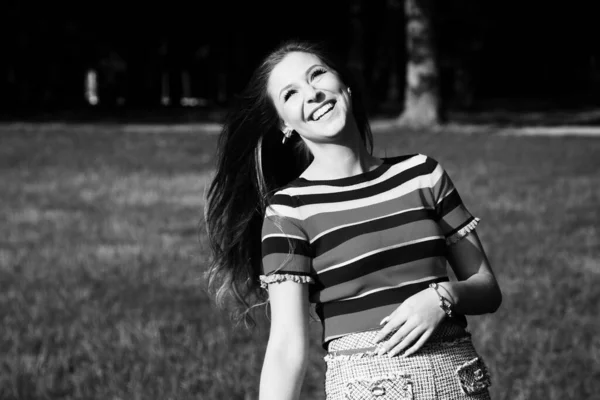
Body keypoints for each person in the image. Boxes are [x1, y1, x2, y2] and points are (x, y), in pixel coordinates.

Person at [204, 39, 502, 400]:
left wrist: (443, 296)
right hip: (364, 387)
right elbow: (286, 344)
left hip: (458, 383)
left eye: (317, 75)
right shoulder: (290, 210)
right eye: (290, 94)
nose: (312, 93)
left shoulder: (422, 174)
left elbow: (487, 288)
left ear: (343, 84)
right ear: (284, 124)